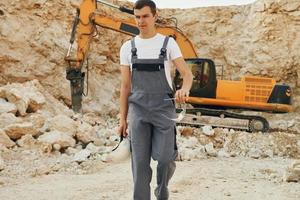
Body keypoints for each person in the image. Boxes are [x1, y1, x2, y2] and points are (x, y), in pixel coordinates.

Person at [118, 0, 193, 199]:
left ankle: (161, 191)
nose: (141, 21)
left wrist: (184, 89)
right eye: (137, 17)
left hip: (163, 108)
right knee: (140, 164)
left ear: (155, 16)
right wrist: (122, 119)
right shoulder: (128, 47)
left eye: (145, 16)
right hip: (138, 110)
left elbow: (187, 74)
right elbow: (125, 86)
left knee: (165, 158)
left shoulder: (168, 43)